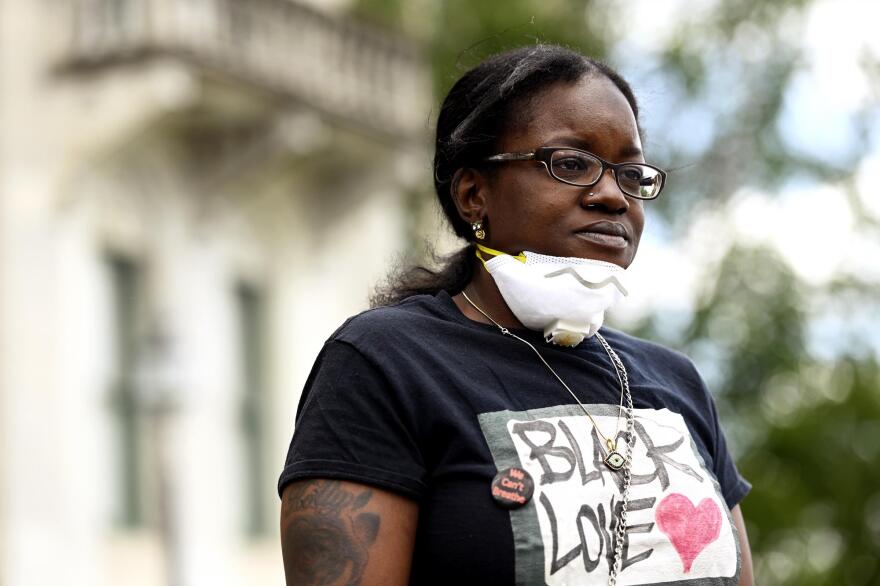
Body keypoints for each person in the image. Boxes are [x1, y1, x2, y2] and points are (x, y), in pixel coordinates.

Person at [278, 45, 754, 586]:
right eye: (572, 163)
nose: (612, 196)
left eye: (630, 173)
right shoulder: (386, 363)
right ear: (473, 194)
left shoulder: (676, 382)